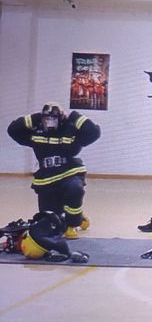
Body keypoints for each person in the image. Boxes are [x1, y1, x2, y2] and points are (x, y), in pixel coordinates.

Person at [7, 102, 101, 239]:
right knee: (49, 220)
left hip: (69, 173)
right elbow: (13, 130)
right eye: (46, 119)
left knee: (75, 189)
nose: (49, 122)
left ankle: (72, 224)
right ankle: (78, 218)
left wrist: (74, 117)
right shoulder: (37, 131)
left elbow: (94, 132)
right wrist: (35, 117)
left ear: (61, 119)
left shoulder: (70, 130)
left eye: (53, 119)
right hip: (46, 179)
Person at [19, 211, 89, 263]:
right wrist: (68, 254)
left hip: (30, 242)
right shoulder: (50, 233)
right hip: (35, 246)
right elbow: (61, 244)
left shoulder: (45, 224)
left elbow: (45, 215)